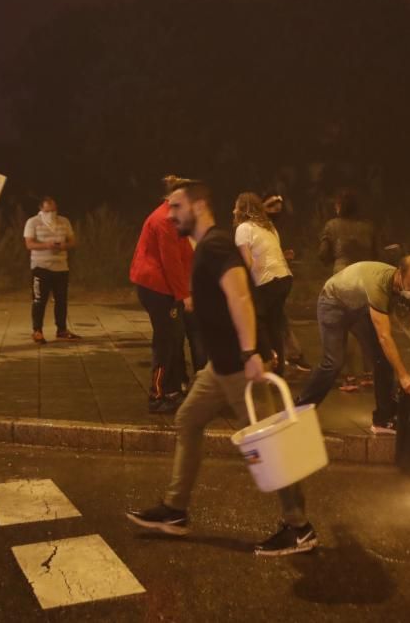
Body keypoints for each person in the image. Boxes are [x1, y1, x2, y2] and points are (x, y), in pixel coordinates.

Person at [127, 180, 317, 556]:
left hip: (236, 366)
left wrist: (251, 353)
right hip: (219, 366)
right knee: (187, 421)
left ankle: (299, 529)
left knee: (273, 444)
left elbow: (241, 295)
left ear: (197, 206)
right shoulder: (206, 247)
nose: (170, 214)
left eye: (177, 206)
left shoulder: (214, 245)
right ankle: (175, 511)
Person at [296, 257, 410, 434]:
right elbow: (384, 336)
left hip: (360, 307)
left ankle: (383, 420)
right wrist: (403, 376)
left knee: (383, 360)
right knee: (333, 363)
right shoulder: (379, 285)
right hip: (333, 302)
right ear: (399, 274)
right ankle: (298, 413)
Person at [129, 175, 203, 414]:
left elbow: (185, 256)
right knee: (165, 341)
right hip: (157, 287)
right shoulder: (165, 221)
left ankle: (171, 390)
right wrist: (185, 295)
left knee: (173, 337)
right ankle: (157, 394)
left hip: (163, 285)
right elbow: (171, 262)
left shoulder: (174, 218)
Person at [318, 187, 379, 391]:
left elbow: (323, 254)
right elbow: (377, 253)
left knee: (345, 326)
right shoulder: (368, 226)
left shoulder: (332, 225)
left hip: (341, 276)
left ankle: (350, 377)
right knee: (367, 325)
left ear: (340, 206)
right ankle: (370, 373)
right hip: (365, 276)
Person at [233, 192, 293, 373]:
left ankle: (267, 361)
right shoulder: (269, 227)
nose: (233, 210)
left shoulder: (243, 229)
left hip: (267, 281)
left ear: (243, 209)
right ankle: (278, 369)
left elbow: (247, 262)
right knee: (275, 324)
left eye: (236, 206)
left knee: (258, 322)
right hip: (284, 278)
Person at [263, 190, 312, 373]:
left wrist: (282, 257)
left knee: (278, 320)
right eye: (271, 206)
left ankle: (289, 355)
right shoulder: (256, 228)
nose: (276, 210)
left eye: (278, 207)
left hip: (274, 279)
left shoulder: (272, 229)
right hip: (262, 281)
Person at [23, 196, 81, 344]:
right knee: (39, 301)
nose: (51, 213)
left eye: (54, 210)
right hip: (40, 267)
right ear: (41, 209)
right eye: (48, 210)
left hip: (61, 267)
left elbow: (73, 240)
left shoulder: (64, 221)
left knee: (61, 301)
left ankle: (61, 330)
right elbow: (29, 244)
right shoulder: (33, 222)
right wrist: (47, 245)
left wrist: (64, 246)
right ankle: (37, 331)